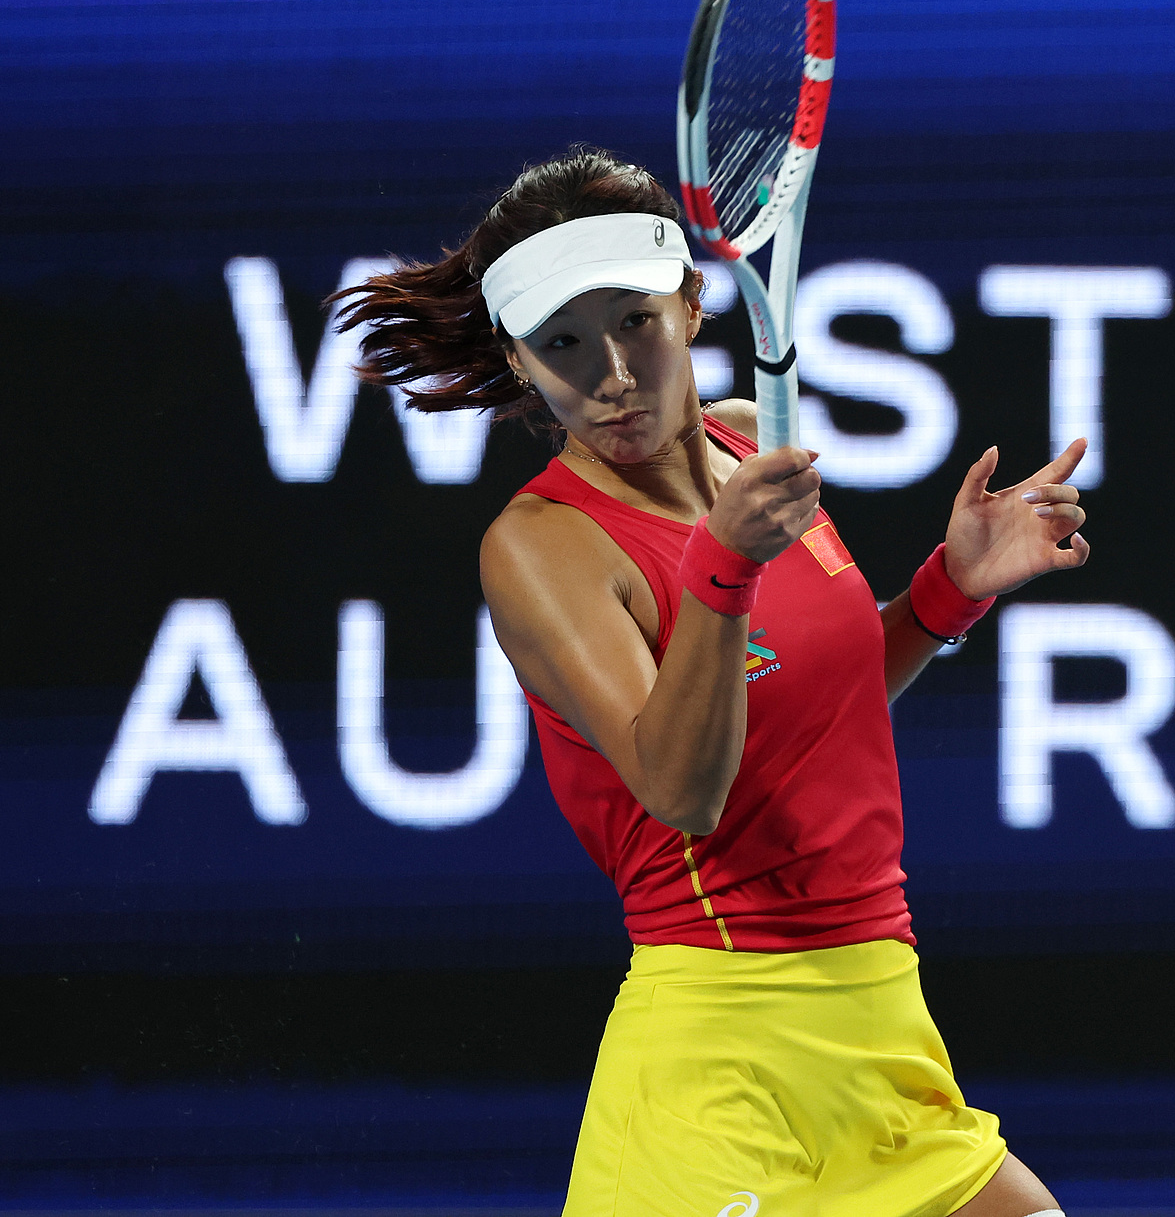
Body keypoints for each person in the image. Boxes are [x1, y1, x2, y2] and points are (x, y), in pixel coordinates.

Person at [340, 147, 1086, 1217]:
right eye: (561, 343)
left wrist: (946, 591)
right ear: (517, 360)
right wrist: (723, 567)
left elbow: (807, 715)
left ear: (690, 306)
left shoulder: (749, 446)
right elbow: (681, 789)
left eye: (633, 323)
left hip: (878, 1027)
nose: (608, 375)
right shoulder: (545, 547)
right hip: (720, 1056)